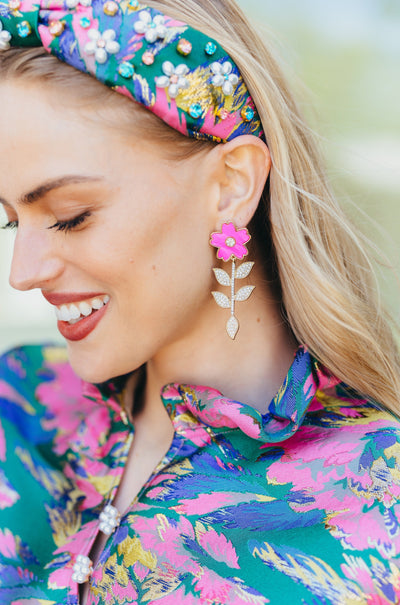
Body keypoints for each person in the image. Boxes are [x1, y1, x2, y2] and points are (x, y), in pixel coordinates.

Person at [0, 0, 400, 603]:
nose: (22, 273)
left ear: (232, 185)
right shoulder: (18, 411)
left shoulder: (378, 500)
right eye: (10, 222)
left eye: (68, 217)